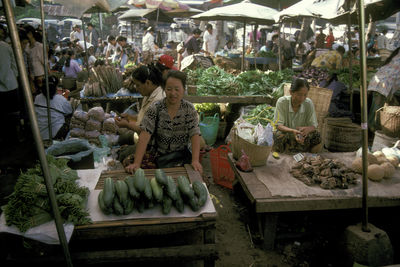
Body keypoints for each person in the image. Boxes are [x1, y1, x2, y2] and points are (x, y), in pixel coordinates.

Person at [125, 70, 202, 173]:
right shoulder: (155, 108)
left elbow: (195, 134)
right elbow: (145, 134)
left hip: (181, 157)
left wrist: (195, 160)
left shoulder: (189, 109)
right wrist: (137, 163)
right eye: (169, 89)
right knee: (128, 163)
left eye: (177, 89)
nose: (173, 93)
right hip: (158, 156)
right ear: (164, 89)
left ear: (183, 89)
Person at [273, 78, 322, 153]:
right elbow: (278, 125)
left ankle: (310, 155)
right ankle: (284, 152)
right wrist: (293, 131)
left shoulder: (308, 103)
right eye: (299, 94)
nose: (302, 98)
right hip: (288, 134)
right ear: (291, 92)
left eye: (305, 95)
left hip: (302, 136)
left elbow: (314, 125)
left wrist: (307, 129)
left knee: (316, 135)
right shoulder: (282, 102)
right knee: (277, 135)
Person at [115, 65, 165, 135]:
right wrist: (130, 117)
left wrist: (127, 125)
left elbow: (147, 131)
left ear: (148, 83)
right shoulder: (148, 94)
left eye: (138, 85)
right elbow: (145, 118)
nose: (136, 88)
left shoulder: (158, 100)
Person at [34, 75, 72, 140]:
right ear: (56, 87)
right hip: (57, 134)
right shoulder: (61, 99)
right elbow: (69, 111)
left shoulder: (37, 98)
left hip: (40, 135)